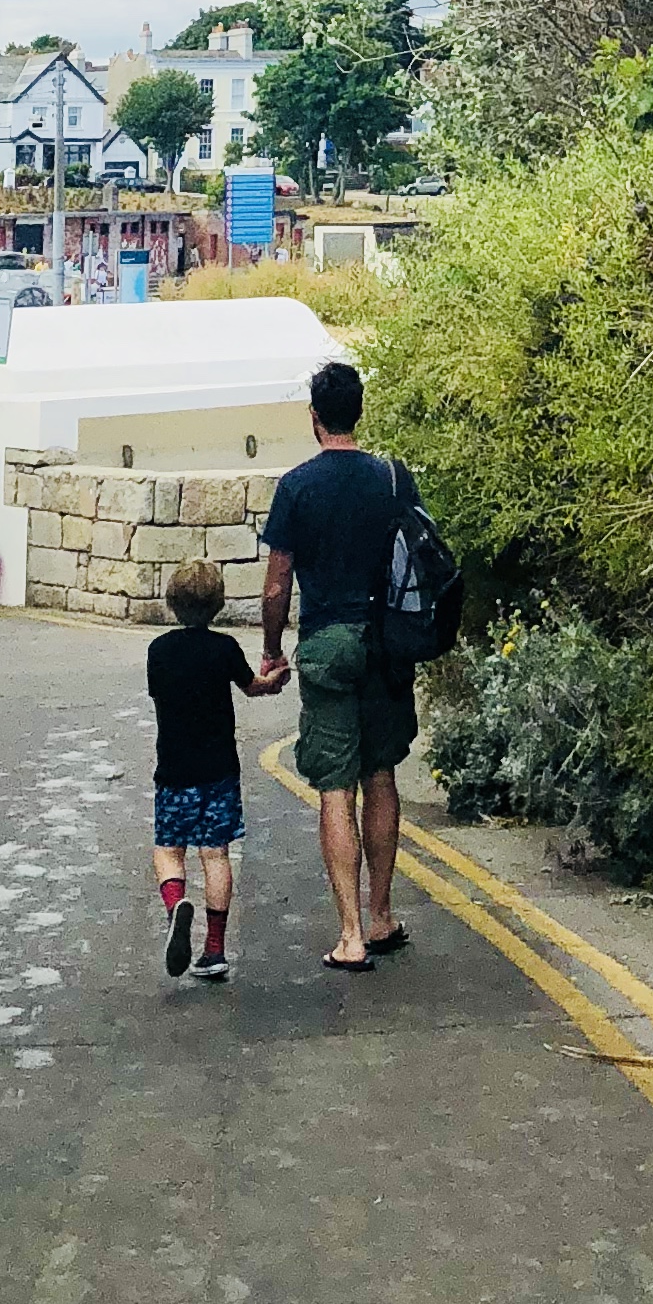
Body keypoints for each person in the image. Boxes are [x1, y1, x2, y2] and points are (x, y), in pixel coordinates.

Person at [260, 357, 418, 972]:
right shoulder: (391, 479)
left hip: (328, 643)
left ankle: (350, 935)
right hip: (386, 644)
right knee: (380, 774)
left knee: (335, 786)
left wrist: (272, 651)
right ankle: (381, 916)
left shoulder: (297, 487)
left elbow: (278, 584)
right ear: (359, 411)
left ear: (314, 417)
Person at [147, 559, 286, 981]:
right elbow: (252, 686)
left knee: (169, 849)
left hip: (174, 771)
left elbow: (160, 695)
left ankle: (175, 905)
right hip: (219, 772)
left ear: (172, 602)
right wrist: (273, 680)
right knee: (216, 854)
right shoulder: (225, 648)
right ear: (218, 604)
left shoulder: (159, 651)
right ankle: (214, 950)